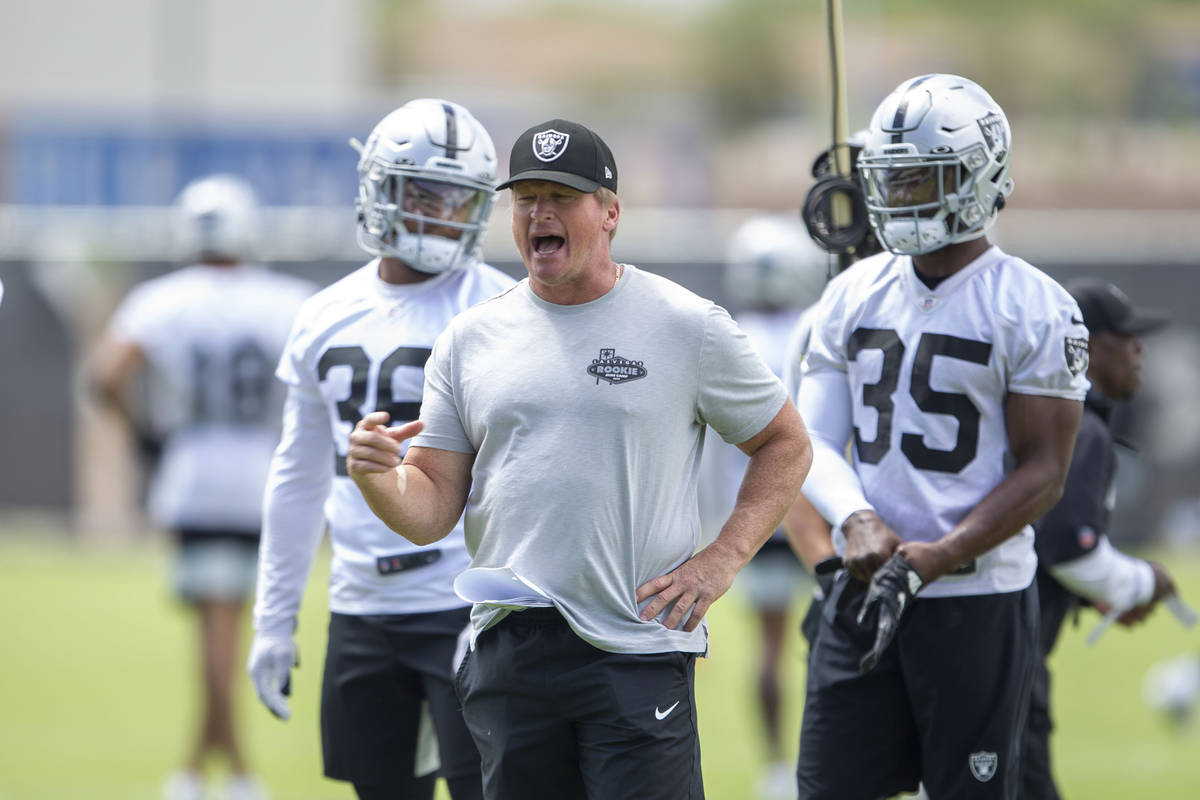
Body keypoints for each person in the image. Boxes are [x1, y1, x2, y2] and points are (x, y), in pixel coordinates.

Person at [345, 117, 812, 800]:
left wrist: (723, 558)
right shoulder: (469, 340)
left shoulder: (687, 324)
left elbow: (786, 441)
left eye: (561, 197)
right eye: (526, 197)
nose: (540, 213)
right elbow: (432, 509)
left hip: (637, 649)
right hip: (511, 654)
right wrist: (379, 479)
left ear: (610, 212)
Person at [793, 74, 1091, 800]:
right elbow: (808, 439)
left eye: (921, 178)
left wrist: (941, 554)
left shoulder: (1033, 307)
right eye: (889, 182)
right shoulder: (852, 292)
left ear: (979, 175)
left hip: (975, 596)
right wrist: (855, 517)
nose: (899, 200)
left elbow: (1045, 471)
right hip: (865, 592)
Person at [246, 98, 514, 800]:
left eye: (459, 200)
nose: (440, 214)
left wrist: (511, 601)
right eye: (423, 192)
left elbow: (535, 475)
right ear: (378, 187)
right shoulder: (324, 313)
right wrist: (274, 620)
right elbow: (299, 478)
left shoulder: (506, 308)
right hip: (361, 604)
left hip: (470, 602)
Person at [90, 174, 315, 800]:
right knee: (233, 628)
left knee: (214, 634)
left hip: (192, 474)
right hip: (267, 478)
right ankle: (214, 770)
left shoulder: (161, 299)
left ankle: (218, 773)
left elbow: (105, 377)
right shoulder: (288, 299)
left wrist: (146, 438)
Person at [1022, 278, 1179, 800]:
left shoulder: (1036, 415)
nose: (1139, 350)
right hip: (1008, 659)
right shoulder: (1083, 431)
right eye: (1125, 337)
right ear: (1084, 345)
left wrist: (1095, 594)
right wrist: (1143, 580)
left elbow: (1034, 542)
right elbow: (1068, 546)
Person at [701, 213, 826, 800]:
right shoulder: (813, 330)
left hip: (754, 516)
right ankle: (829, 759)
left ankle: (778, 767)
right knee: (838, 642)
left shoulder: (729, 334)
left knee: (771, 647)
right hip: (822, 511)